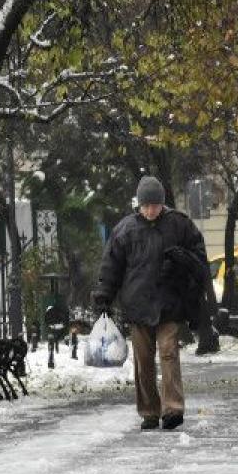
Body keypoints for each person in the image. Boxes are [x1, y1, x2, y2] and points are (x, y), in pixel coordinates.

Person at [93, 176, 209, 431]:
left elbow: (200, 259)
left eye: (155, 205)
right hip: (137, 305)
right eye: (146, 205)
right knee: (143, 360)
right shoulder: (125, 229)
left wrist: (183, 260)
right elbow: (110, 267)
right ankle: (149, 411)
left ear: (162, 204)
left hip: (169, 303)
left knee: (169, 353)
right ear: (139, 204)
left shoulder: (180, 225)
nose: (150, 210)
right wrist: (103, 297)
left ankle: (173, 409)